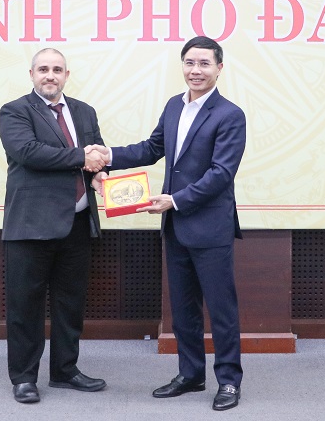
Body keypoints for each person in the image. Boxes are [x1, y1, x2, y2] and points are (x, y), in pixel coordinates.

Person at [93, 35, 246, 411]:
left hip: (209, 227)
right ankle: (191, 374)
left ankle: (229, 381)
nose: (196, 70)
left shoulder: (230, 115)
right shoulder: (174, 106)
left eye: (204, 63)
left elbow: (221, 173)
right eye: (190, 63)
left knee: (221, 310)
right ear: (183, 66)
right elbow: (152, 148)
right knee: (183, 309)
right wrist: (108, 155)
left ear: (219, 68)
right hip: (176, 227)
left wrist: (175, 200)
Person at [0, 47, 111, 404]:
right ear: (32, 74)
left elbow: (96, 154)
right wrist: (82, 157)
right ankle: (23, 377)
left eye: (57, 69)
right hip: (31, 225)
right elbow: (28, 152)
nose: (50, 75)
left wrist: (99, 173)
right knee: (25, 306)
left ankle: (65, 370)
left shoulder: (84, 111)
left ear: (67, 75)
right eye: (43, 69)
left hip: (76, 223)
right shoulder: (15, 111)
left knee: (70, 303)